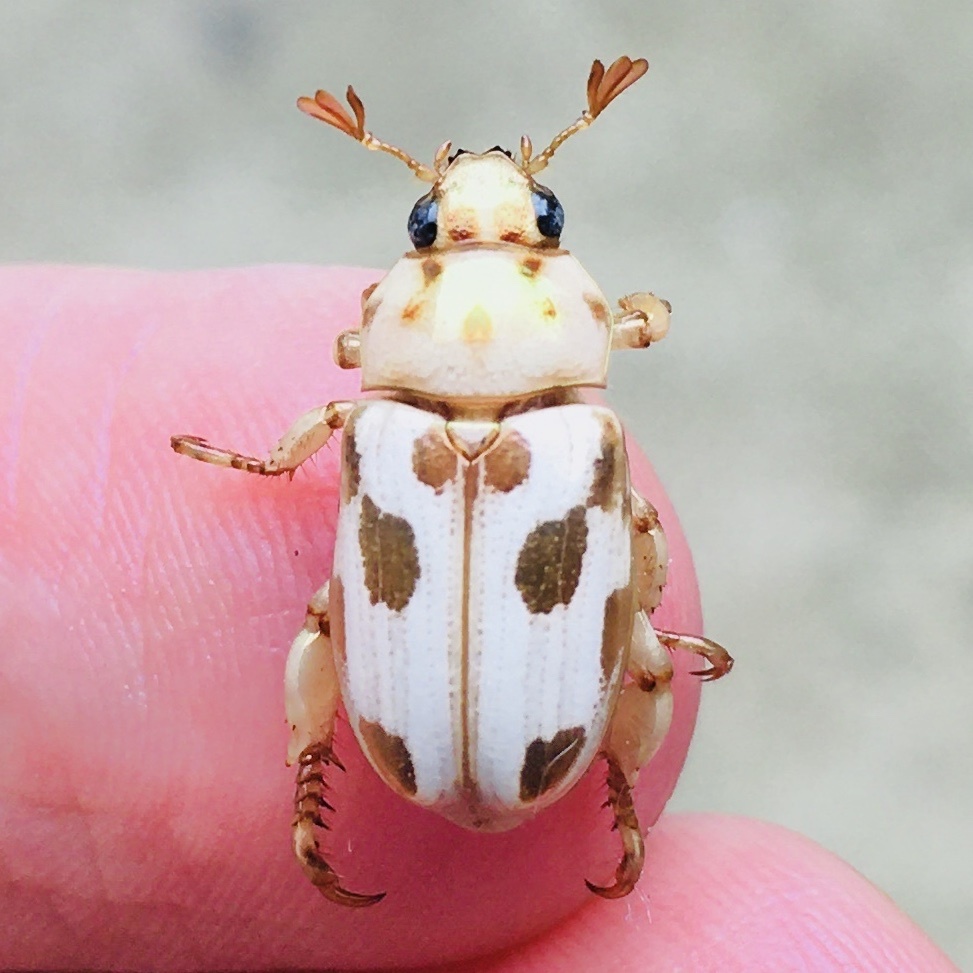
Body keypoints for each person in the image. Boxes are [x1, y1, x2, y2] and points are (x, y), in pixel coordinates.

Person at [0, 266, 957, 971]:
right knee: (643, 651)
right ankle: (615, 780)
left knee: (327, 618)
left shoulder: (367, 422)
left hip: (432, 733)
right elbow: (638, 534)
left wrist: (273, 459)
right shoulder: (580, 435)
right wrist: (641, 605)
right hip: (519, 729)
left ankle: (317, 775)